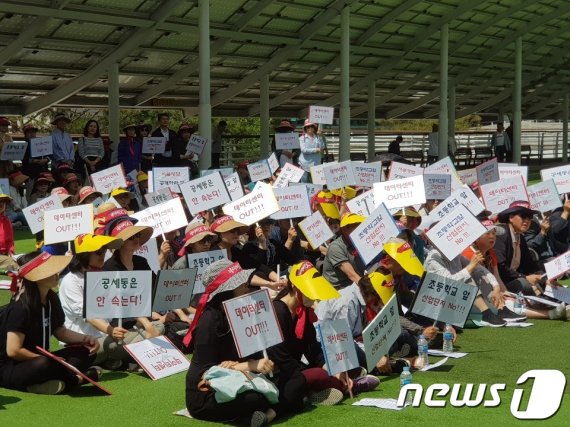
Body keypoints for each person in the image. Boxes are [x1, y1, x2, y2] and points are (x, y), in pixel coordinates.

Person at [184, 260, 277, 424]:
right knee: (256, 398)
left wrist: (242, 366)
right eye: (241, 284)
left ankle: (262, 416)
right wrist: (245, 366)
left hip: (240, 378)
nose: (247, 287)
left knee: (282, 382)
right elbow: (206, 373)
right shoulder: (210, 320)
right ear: (226, 291)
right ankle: (265, 414)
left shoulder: (243, 312)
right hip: (206, 391)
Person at [0, 252, 100, 394]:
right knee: (46, 364)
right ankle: (76, 380)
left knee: (86, 351)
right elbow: (13, 350)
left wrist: (86, 339)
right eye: (50, 270)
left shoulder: (51, 298)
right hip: (12, 367)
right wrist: (46, 358)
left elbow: (61, 332)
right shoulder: (20, 308)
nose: (56, 273)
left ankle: (46, 383)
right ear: (37, 277)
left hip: (45, 359)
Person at [59, 234, 139, 369]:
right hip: (85, 343)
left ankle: (112, 359)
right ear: (84, 255)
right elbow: (88, 314)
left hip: (105, 335)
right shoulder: (71, 281)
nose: (102, 255)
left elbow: (121, 302)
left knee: (154, 328)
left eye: (103, 251)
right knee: (135, 340)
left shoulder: (102, 276)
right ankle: (115, 357)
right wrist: (111, 331)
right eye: (97, 252)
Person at [99, 207, 164, 342]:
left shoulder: (141, 262)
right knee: (159, 328)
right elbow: (119, 303)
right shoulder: (109, 268)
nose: (137, 239)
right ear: (120, 243)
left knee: (162, 325)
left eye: (137, 235)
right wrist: (147, 319)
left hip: (148, 317)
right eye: (131, 237)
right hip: (122, 324)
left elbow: (156, 289)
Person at [494, 201, 547, 296]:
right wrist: (525, 277)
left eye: (530, 217)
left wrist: (543, 276)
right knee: (523, 283)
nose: (527, 221)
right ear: (511, 218)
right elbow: (501, 267)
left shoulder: (520, 237)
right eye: (523, 216)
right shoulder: (501, 234)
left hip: (515, 278)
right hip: (502, 284)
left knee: (544, 275)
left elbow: (529, 263)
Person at [322, 213, 366, 290]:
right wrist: (370, 289)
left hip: (356, 280)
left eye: (360, 224)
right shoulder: (335, 248)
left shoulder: (361, 239)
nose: (361, 227)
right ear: (345, 229)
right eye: (357, 225)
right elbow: (352, 276)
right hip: (340, 290)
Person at [21, 124, 50, 202]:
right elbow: (23, 159)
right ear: (25, 134)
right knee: (30, 195)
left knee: (45, 194)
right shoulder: (23, 145)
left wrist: (46, 160)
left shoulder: (42, 142)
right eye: (29, 132)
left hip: (42, 173)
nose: (32, 134)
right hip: (30, 175)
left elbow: (49, 155)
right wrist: (34, 161)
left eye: (33, 132)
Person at [0, 193, 18, 271]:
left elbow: (10, 241)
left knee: (22, 261)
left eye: (3, 202)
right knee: (14, 264)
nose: (1, 205)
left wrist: (10, 252)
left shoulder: (6, 221)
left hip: (4, 255)